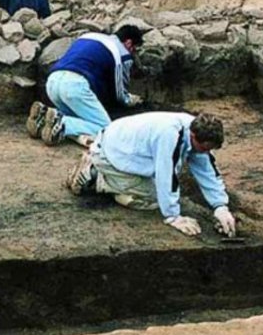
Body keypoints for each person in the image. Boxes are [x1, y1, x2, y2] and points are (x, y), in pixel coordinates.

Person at [66, 111, 237, 238]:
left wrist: (220, 206)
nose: (205, 152)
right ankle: (96, 177)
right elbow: (166, 174)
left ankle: (113, 179)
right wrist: (173, 217)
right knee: (154, 197)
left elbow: (207, 169)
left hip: (123, 146)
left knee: (165, 194)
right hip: (108, 154)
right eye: (204, 148)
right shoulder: (170, 135)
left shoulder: (196, 128)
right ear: (193, 135)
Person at [27, 25, 144, 146]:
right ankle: (62, 122)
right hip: (75, 86)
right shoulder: (122, 54)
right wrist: (130, 100)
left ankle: (42, 119)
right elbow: (119, 93)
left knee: (80, 118)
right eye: (134, 49)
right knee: (105, 127)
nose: (133, 53)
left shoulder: (88, 37)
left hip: (53, 81)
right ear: (128, 43)